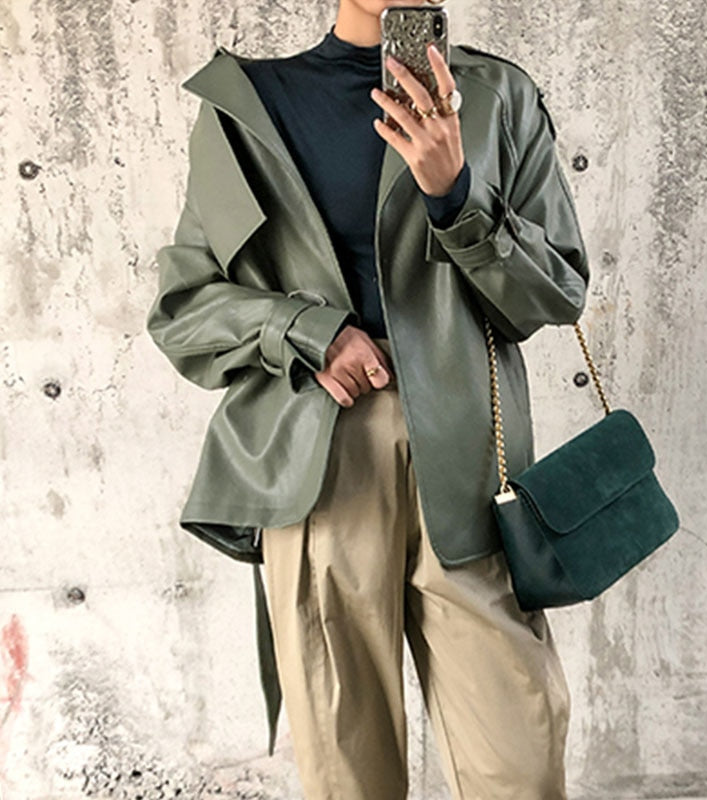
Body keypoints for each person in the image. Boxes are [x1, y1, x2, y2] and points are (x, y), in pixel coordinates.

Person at [146, 0, 590, 796]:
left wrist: (456, 196)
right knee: (346, 770)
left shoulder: (497, 97)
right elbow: (185, 307)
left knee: (519, 758)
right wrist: (306, 332)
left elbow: (554, 293)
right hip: (319, 466)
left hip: (470, 459)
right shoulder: (252, 105)